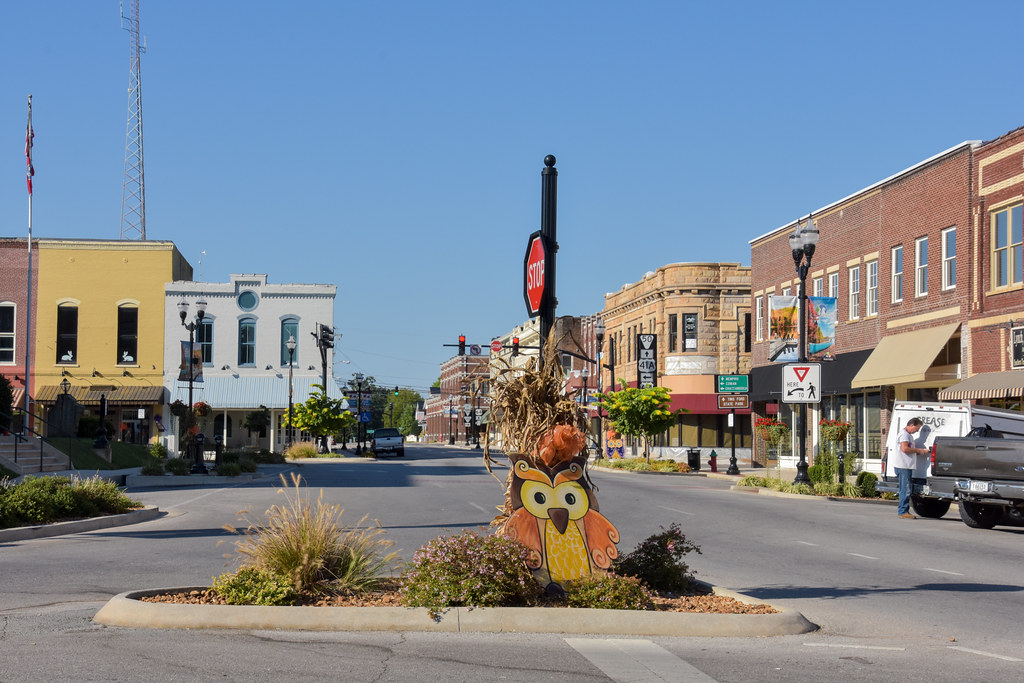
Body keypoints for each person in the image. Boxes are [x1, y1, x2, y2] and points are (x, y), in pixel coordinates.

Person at [894, 417, 927, 519]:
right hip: (903, 466)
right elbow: (904, 448)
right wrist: (919, 451)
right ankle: (903, 511)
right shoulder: (905, 435)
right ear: (911, 425)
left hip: (905, 466)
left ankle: (903, 510)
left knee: (904, 489)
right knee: (905, 489)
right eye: (917, 428)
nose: (917, 431)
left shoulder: (907, 435)